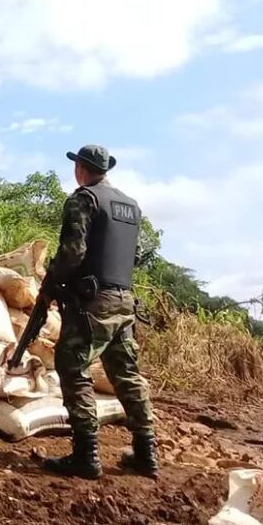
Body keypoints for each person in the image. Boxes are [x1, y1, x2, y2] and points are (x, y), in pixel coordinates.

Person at [41, 144, 158, 480]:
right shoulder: (131, 206)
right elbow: (133, 256)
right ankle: (146, 454)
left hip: (93, 302)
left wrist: (54, 280)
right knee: (126, 374)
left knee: (72, 365)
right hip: (125, 302)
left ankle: (86, 455)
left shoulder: (84, 199)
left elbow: (73, 252)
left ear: (80, 167)